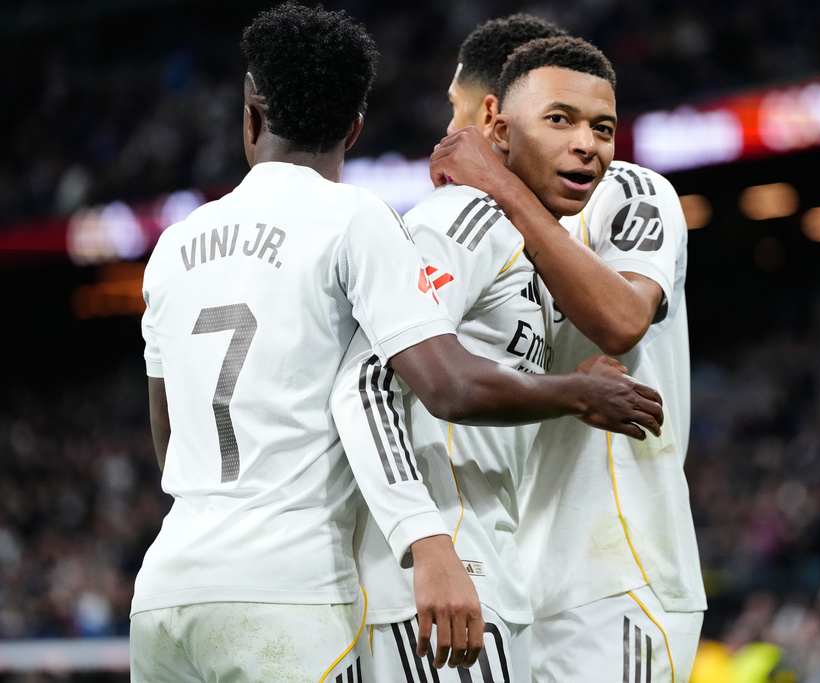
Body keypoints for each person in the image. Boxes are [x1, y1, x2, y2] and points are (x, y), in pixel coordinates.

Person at [130, 5, 663, 682]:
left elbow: (169, 434)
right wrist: (575, 394)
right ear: (354, 128)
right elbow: (426, 381)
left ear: (251, 119)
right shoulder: (357, 218)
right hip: (290, 586)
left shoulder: (172, 247)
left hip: (168, 586)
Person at [431, 14, 707, 682]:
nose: (452, 136)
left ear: (494, 115)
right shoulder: (489, 232)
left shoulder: (630, 192)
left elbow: (621, 320)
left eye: (458, 111)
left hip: (620, 575)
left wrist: (502, 187)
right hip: (517, 579)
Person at [352, 35, 620, 683]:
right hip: (441, 585)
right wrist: (428, 545)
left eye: (603, 128)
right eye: (560, 120)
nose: (586, 144)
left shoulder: (529, 243)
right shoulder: (464, 216)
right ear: (499, 125)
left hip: (481, 575)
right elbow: (367, 377)